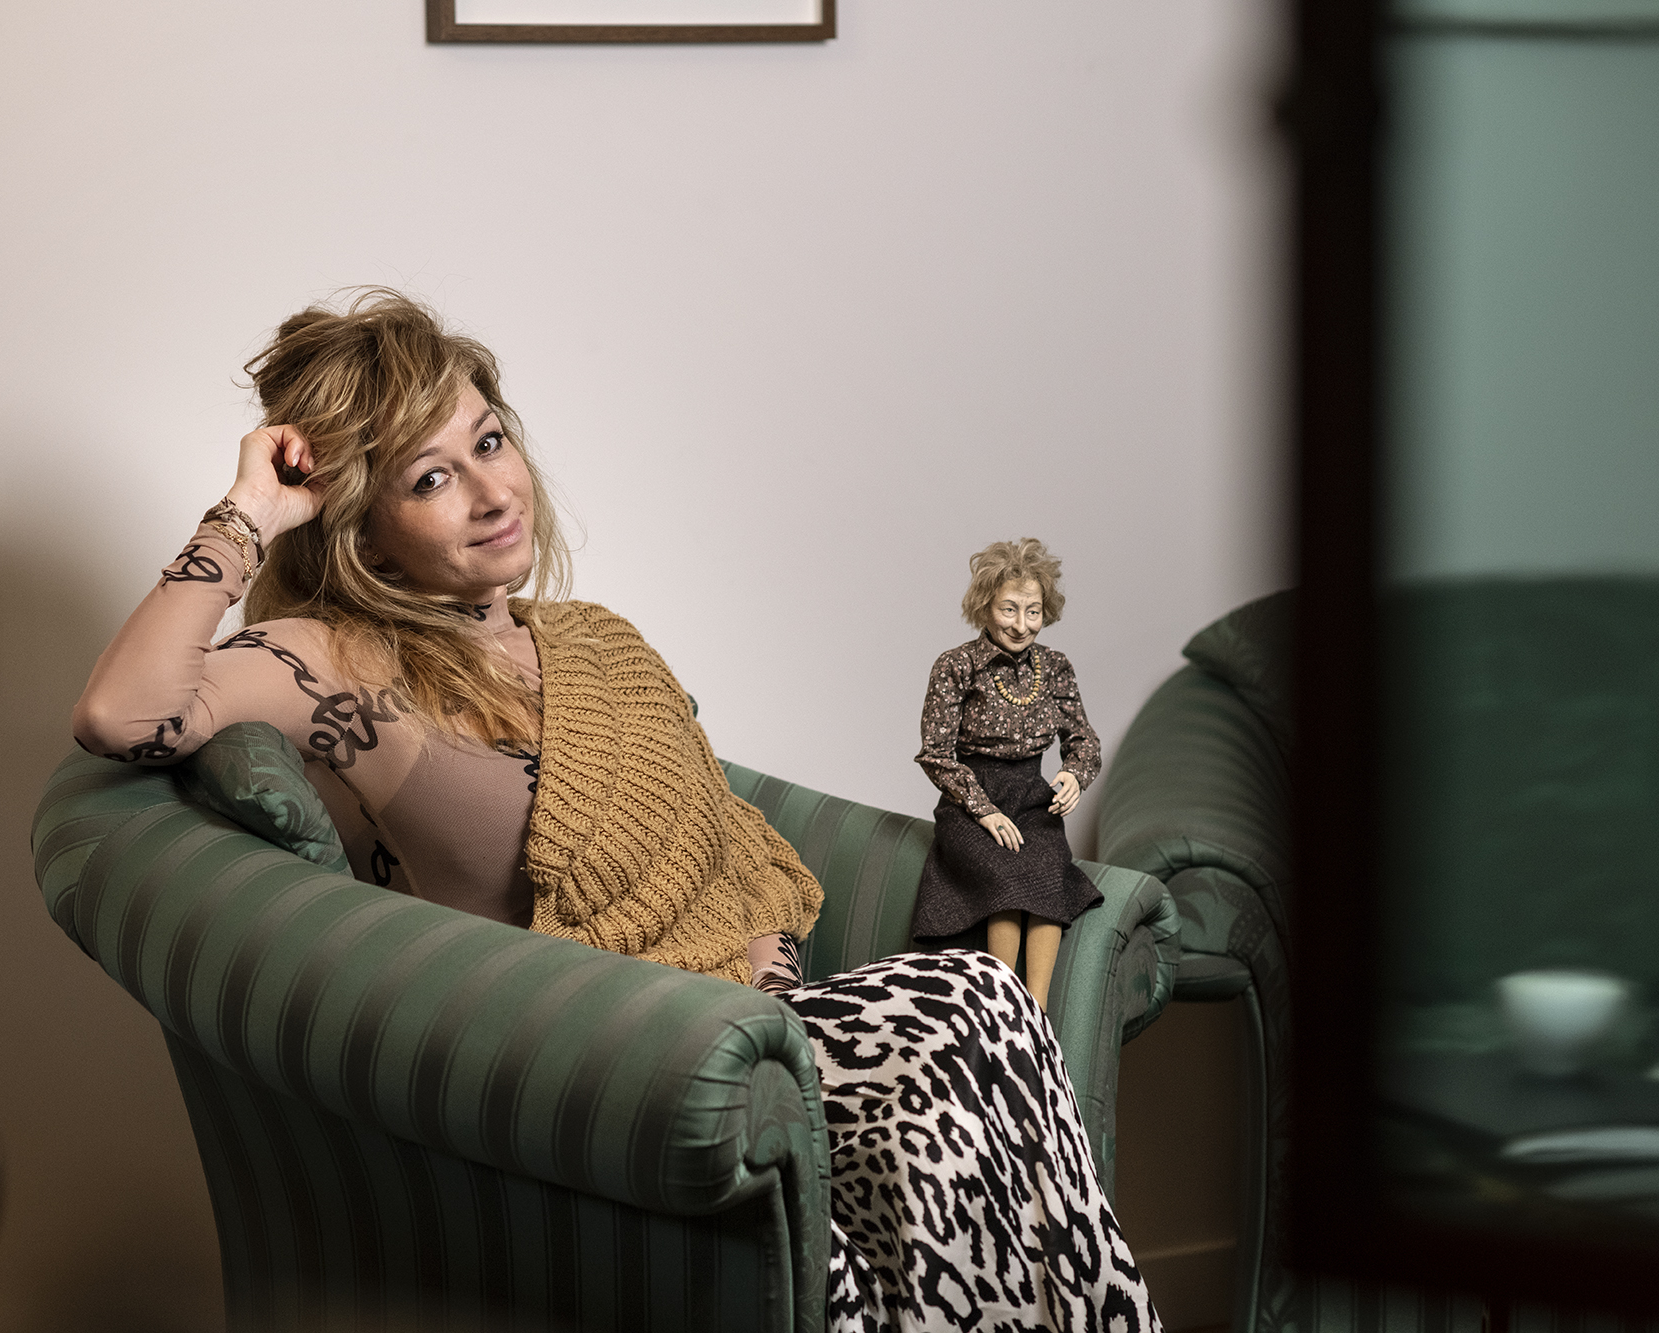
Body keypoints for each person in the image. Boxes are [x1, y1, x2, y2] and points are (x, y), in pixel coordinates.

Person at [73, 291, 1156, 1333]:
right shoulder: (335, 663)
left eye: (489, 442)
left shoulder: (595, 640)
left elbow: (731, 854)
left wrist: (772, 1007)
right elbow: (122, 714)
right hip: (593, 1063)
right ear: (361, 524)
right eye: (431, 477)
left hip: (744, 1048)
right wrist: (251, 513)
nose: (490, 493)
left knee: (964, 1044)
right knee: (969, 999)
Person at [910, 539, 1104, 1008]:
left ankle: (1034, 1010)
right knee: (1007, 877)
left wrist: (1075, 774)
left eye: (1032, 612)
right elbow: (936, 754)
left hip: (1032, 799)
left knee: (1046, 872)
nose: (1021, 625)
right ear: (985, 607)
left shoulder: (1055, 668)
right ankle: (1004, 1003)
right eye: (1009, 609)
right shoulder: (955, 666)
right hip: (970, 802)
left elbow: (1084, 740)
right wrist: (983, 810)